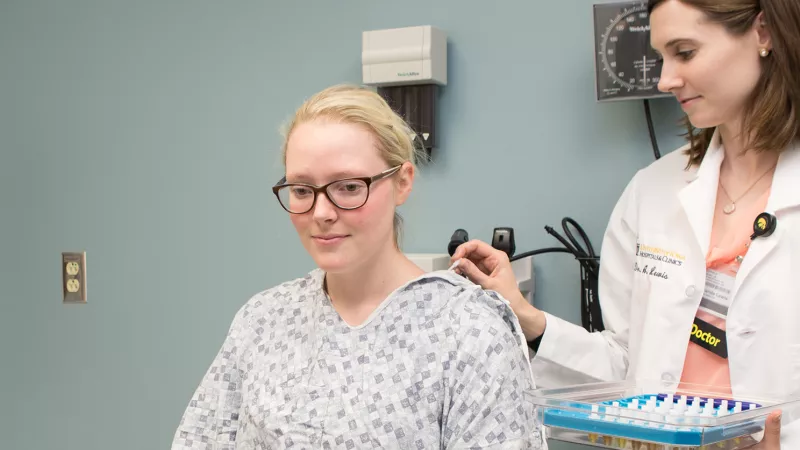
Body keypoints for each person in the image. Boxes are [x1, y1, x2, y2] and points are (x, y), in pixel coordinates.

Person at [451, 0, 798, 448]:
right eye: (661, 58)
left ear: (763, 33)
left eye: (685, 52)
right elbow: (625, 362)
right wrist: (527, 318)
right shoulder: (652, 191)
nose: (665, 79)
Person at [170, 84, 543, 449]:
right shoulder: (263, 321)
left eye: (348, 187)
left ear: (402, 182)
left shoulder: (470, 334)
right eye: (302, 190)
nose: (321, 213)